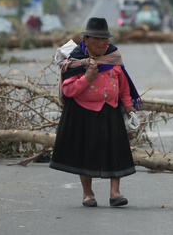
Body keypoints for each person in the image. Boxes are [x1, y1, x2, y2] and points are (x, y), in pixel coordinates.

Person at [50, 17, 141, 207]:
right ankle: (87, 193)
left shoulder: (113, 57)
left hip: (110, 109)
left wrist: (128, 105)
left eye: (104, 39)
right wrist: (88, 78)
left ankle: (115, 193)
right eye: (96, 39)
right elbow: (69, 90)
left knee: (115, 151)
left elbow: (123, 86)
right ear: (86, 40)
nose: (101, 43)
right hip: (83, 111)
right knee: (86, 153)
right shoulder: (75, 60)